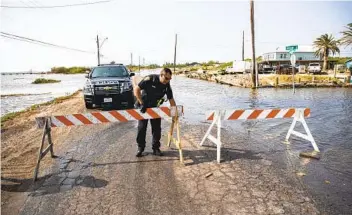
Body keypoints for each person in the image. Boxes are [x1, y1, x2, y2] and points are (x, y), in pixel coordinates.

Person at [133, 68, 176, 157]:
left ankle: (156, 148)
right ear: (161, 75)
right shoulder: (150, 79)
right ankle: (140, 148)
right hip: (143, 106)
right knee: (141, 128)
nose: (168, 81)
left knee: (156, 129)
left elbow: (171, 100)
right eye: (166, 78)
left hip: (155, 108)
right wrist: (141, 103)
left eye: (170, 79)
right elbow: (136, 89)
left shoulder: (167, 85)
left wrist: (174, 113)